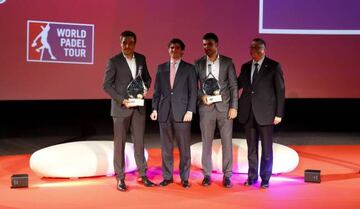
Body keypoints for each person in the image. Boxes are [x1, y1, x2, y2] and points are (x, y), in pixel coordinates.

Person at [103, 30, 155, 191]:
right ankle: (120, 178)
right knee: (120, 144)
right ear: (120, 43)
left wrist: (145, 89)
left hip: (138, 107)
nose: (127, 46)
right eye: (124, 43)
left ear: (135, 43)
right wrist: (122, 99)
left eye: (130, 43)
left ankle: (143, 174)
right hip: (121, 108)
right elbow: (106, 85)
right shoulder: (114, 61)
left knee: (139, 142)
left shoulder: (141, 59)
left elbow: (147, 78)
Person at [237, 38, 285, 189]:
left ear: (264, 50)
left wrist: (278, 114)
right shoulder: (245, 67)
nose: (254, 51)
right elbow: (237, 85)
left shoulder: (273, 66)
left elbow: (280, 91)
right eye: (252, 48)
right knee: (251, 149)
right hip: (248, 113)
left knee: (266, 148)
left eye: (258, 49)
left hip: (266, 114)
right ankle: (252, 177)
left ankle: (265, 178)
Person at [150, 38, 197, 188]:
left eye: (177, 48)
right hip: (164, 112)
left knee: (184, 148)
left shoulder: (189, 68)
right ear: (168, 49)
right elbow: (156, 91)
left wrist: (190, 110)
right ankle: (167, 176)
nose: (173, 50)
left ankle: (184, 178)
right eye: (171, 47)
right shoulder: (161, 68)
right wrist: (154, 109)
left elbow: (193, 92)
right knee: (166, 148)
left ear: (182, 51)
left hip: (182, 113)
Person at [195, 33, 238, 188]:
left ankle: (227, 176)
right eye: (204, 45)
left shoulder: (227, 62)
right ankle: (207, 174)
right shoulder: (199, 63)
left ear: (217, 44)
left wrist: (234, 106)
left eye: (209, 44)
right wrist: (201, 96)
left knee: (227, 142)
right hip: (206, 109)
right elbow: (194, 87)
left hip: (224, 108)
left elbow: (233, 86)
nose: (207, 48)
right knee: (206, 142)